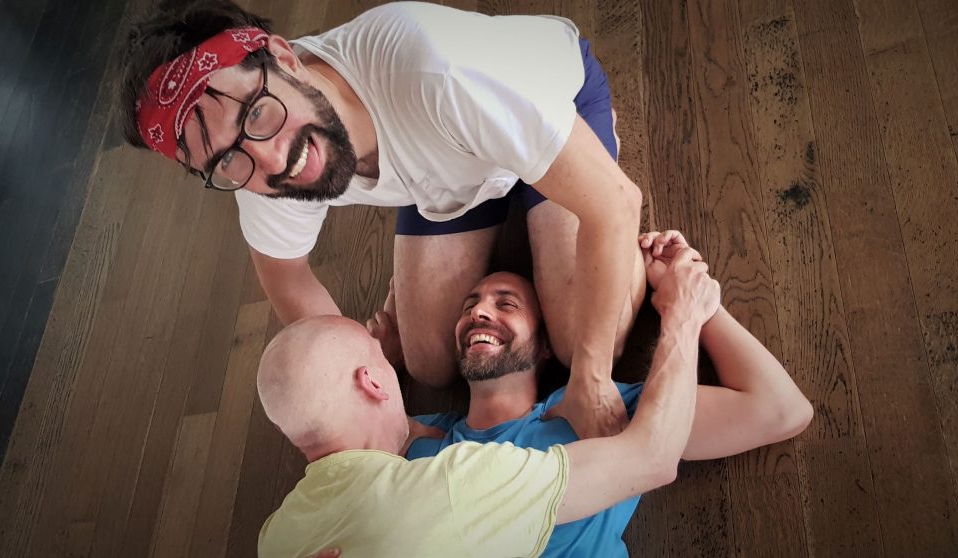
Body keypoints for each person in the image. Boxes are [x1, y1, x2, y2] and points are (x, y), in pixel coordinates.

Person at [119, 0, 647, 438]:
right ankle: (498, 183)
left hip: (548, 101)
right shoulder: (251, 165)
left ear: (285, 57)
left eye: (257, 112)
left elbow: (616, 203)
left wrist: (592, 381)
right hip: (449, 165)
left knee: (583, 341)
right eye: (226, 160)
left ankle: (583, 167)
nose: (274, 160)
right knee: (428, 363)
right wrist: (379, 395)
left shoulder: (437, 71)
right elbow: (289, 281)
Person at [256, 245, 720, 557]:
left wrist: (380, 364)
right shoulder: (453, 484)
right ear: (373, 384)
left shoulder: (277, 537)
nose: (479, 311)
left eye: (506, 304)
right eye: (382, 362)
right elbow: (653, 456)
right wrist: (685, 311)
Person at [393, 231, 814, 557]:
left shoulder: (605, 414)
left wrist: (694, 304)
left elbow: (781, 410)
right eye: (469, 306)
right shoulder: (418, 440)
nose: (478, 312)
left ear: (544, 347)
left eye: (506, 305)